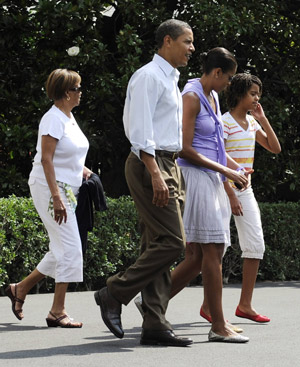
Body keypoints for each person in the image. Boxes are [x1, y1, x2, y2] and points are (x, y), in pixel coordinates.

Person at [94, 19, 195, 347]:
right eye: (187, 41)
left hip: (169, 162)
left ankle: (155, 322)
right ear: (168, 41)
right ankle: (113, 292)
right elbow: (139, 130)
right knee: (172, 242)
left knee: (157, 244)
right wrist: (154, 170)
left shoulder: (170, 79)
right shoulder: (149, 77)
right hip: (150, 162)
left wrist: (167, 168)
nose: (192, 48)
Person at [165, 47, 250, 342]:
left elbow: (215, 146)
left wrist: (235, 167)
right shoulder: (190, 97)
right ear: (216, 73)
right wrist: (227, 173)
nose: (228, 84)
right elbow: (185, 148)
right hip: (193, 178)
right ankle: (218, 326)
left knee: (201, 255)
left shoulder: (212, 96)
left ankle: (152, 303)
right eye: (227, 78)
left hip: (210, 177)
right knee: (211, 251)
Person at [5, 69, 92, 328]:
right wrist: (56, 196)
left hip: (67, 189)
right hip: (50, 188)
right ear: (67, 92)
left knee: (60, 248)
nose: (81, 92)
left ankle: (20, 289)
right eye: (78, 88)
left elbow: (70, 153)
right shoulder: (53, 119)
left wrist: (84, 170)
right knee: (71, 248)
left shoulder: (69, 117)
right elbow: (46, 158)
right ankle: (57, 311)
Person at [222, 73, 281, 322]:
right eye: (252, 93)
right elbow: (216, 159)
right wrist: (229, 193)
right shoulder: (223, 122)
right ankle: (207, 305)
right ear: (238, 94)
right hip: (221, 188)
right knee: (215, 248)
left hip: (245, 190)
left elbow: (275, 148)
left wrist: (263, 119)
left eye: (258, 94)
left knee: (256, 245)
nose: (257, 98)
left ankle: (245, 305)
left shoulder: (252, 123)